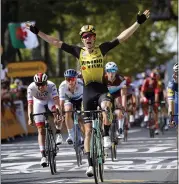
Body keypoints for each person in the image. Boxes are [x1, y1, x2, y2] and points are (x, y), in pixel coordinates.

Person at [26, 10, 150, 176]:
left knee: (106, 106)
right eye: (85, 36)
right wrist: (38, 32)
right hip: (87, 93)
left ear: (95, 38)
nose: (88, 38)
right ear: (82, 39)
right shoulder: (78, 52)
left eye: (90, 36)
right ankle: (90, 164)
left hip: (100, 90)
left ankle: (106, 135)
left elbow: (122, 37)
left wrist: (138, 23)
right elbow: (55, 41)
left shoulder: (102, 49)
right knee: (88, 130)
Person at [27, 72, 62, 167]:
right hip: (38, 103)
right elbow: (30, 104)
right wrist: (30, 117)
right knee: (40, 130)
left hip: (50, 100)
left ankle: (58, 132)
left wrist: (58, 113)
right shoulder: (31, 88)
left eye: (42, 84)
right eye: (38, 84)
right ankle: (43, 155)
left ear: (46, 83)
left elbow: (56, 102)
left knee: (56, 112)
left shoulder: (52, 86)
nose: (40, 87)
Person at [59, 69, 84, 144]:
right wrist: (61, 114)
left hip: (80, 99)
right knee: (68, 110)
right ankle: (71, 135)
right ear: (65, 79)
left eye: (72, 79)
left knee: (81, 118)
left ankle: (83, 137)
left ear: (76, 78)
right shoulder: (62, 86)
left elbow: (85, 100)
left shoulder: (81, 84)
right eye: (68, 79)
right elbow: (61, 102)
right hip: (69, 99)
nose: (70, 81)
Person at [104, 61, 127, 138]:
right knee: (104, 109)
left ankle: (120, 129)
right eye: (109, 71)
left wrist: (123, 106)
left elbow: (123, 94)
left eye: (113, 71)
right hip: (106, 95)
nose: (111, 73)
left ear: (116, 71)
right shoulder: (103, 79)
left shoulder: (121, 79)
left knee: (120, 108)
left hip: (117, 94)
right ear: (106, 71)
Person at [167, 63, 178, 128]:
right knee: (171, 103)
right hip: (172, 90)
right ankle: (171, 120)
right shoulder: (172, 81)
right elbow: (171, 90)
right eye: (176, 73)